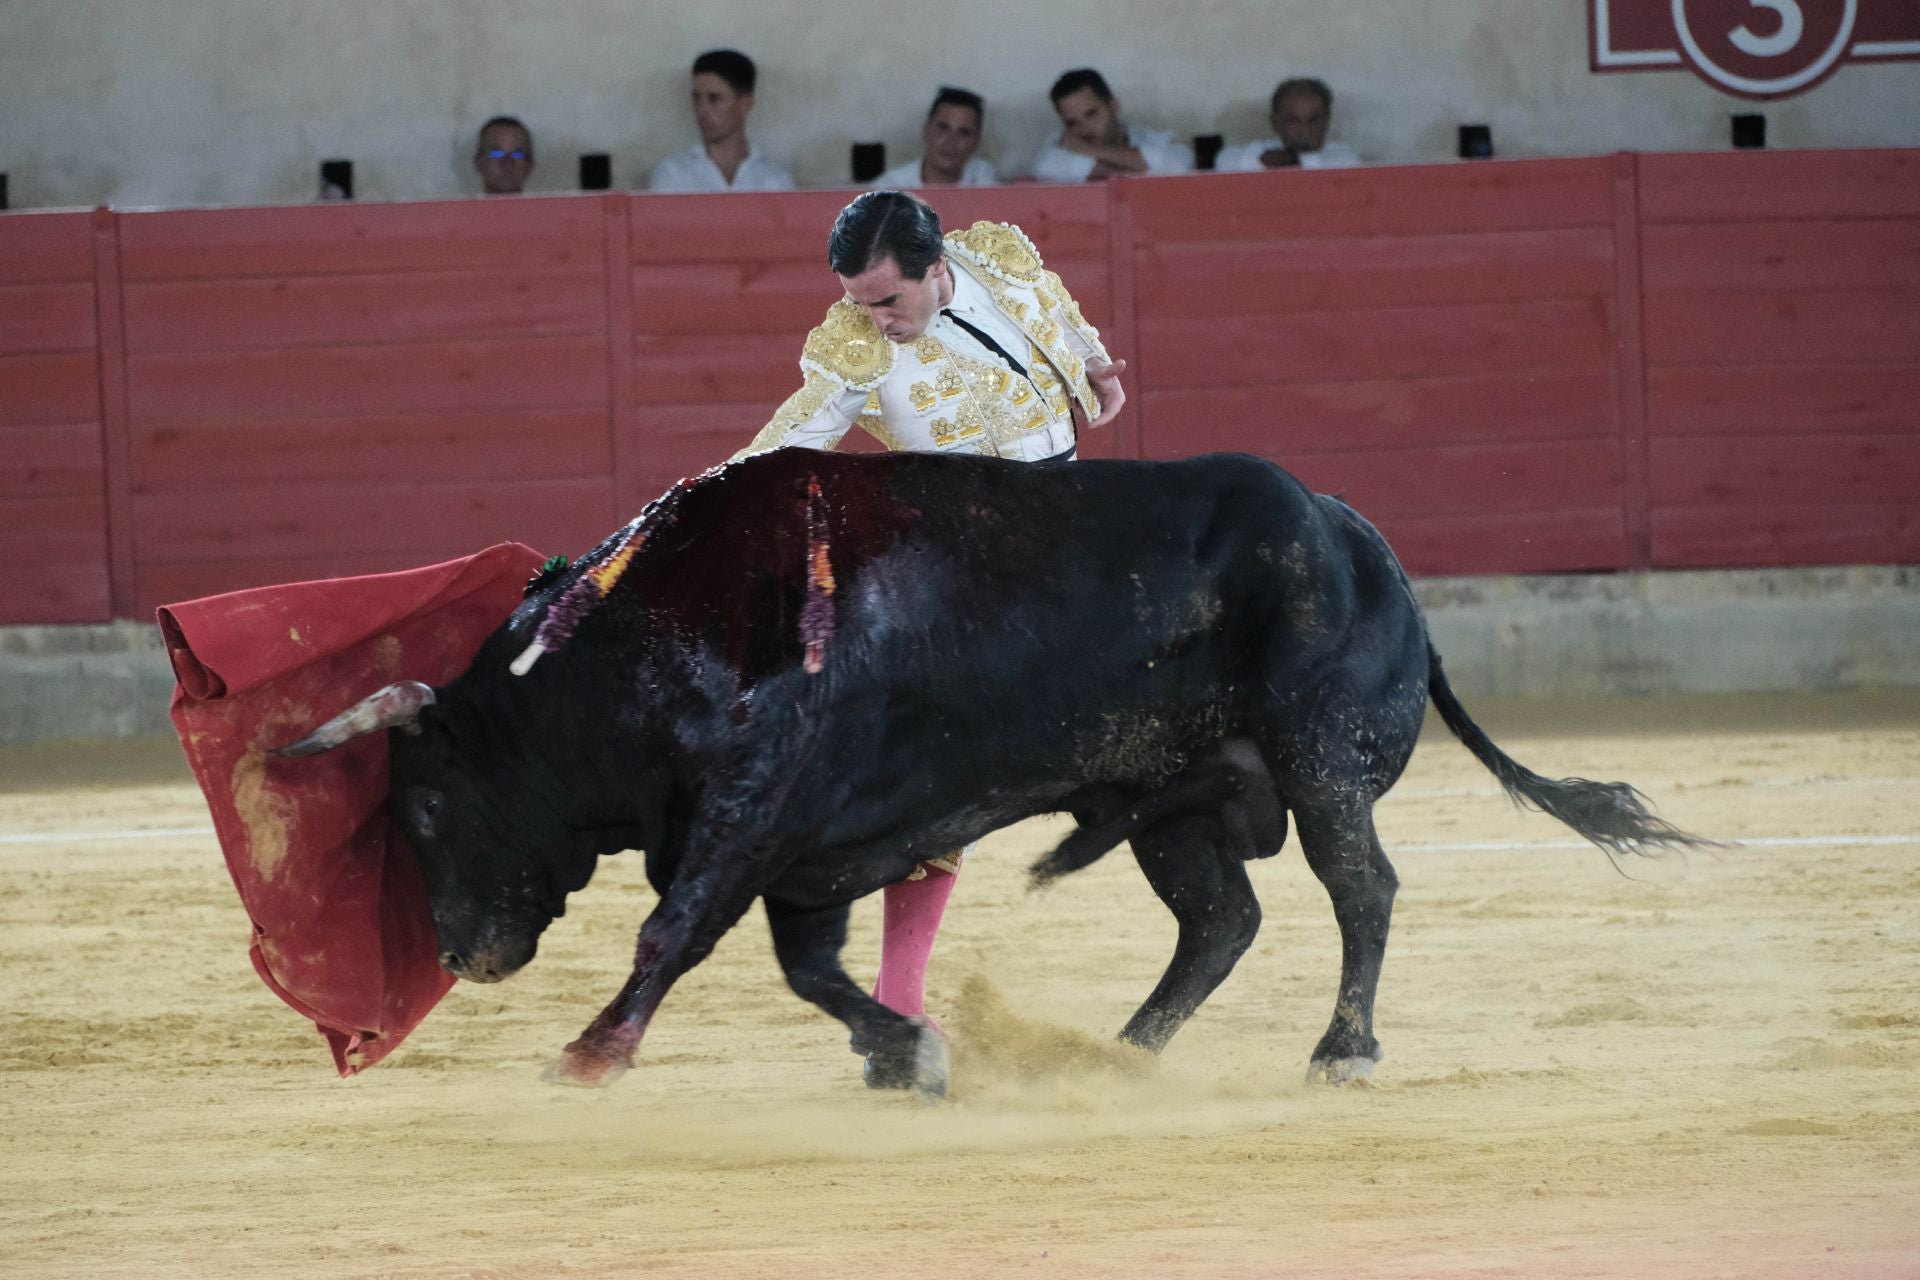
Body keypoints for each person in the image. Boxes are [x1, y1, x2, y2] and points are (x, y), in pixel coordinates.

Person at [731, 192, 1126, 1079]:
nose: (867, 318)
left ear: (937, 267)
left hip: (1079, 528)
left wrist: (1095, 366)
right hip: (972, 568)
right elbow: (786, 446)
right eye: (856, 300)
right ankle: (899, 1009)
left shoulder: (998, 258)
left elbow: (1054, 307)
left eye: (885, 301)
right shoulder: (856, 348)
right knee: (949, 783)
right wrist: (692, 511)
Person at [649, 49, 796, 193]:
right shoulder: (673, 173)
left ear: (745, 104)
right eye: (696, 98)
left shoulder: (774, 179)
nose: (702, 110)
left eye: (714, 99)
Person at [1030, 68, 1192, 183]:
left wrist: (1088, 150)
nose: (1085, 129)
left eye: (1091, 114)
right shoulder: (1057, 149)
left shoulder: (1150, 138)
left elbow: (1178, 165)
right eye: (1072, 123)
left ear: (1113, 106)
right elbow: (1046, 169)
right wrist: (1140, 167)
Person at [1214, 78, 1360, 172]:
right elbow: (1224, 161)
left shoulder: (1343, 156)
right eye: (1294, 121)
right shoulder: (1263, 150)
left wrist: (1292, 160)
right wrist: (1259, 161)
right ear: (1276, 123)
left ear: (1327, 121)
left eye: (1314, 120)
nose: (1305, 130)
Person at [873, 87, 998, 189]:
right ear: (926, 130)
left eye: (964, 132)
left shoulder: (984, 181)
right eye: (943, 128)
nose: (951, 142)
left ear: (976, 141)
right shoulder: (891, 187)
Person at [473, 116, 535, 195]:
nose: (507, 162)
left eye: (517, 154)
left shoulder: (547, 207)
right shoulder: (459, 207)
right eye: (497, 153)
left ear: (529, 164)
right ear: (479, 162)